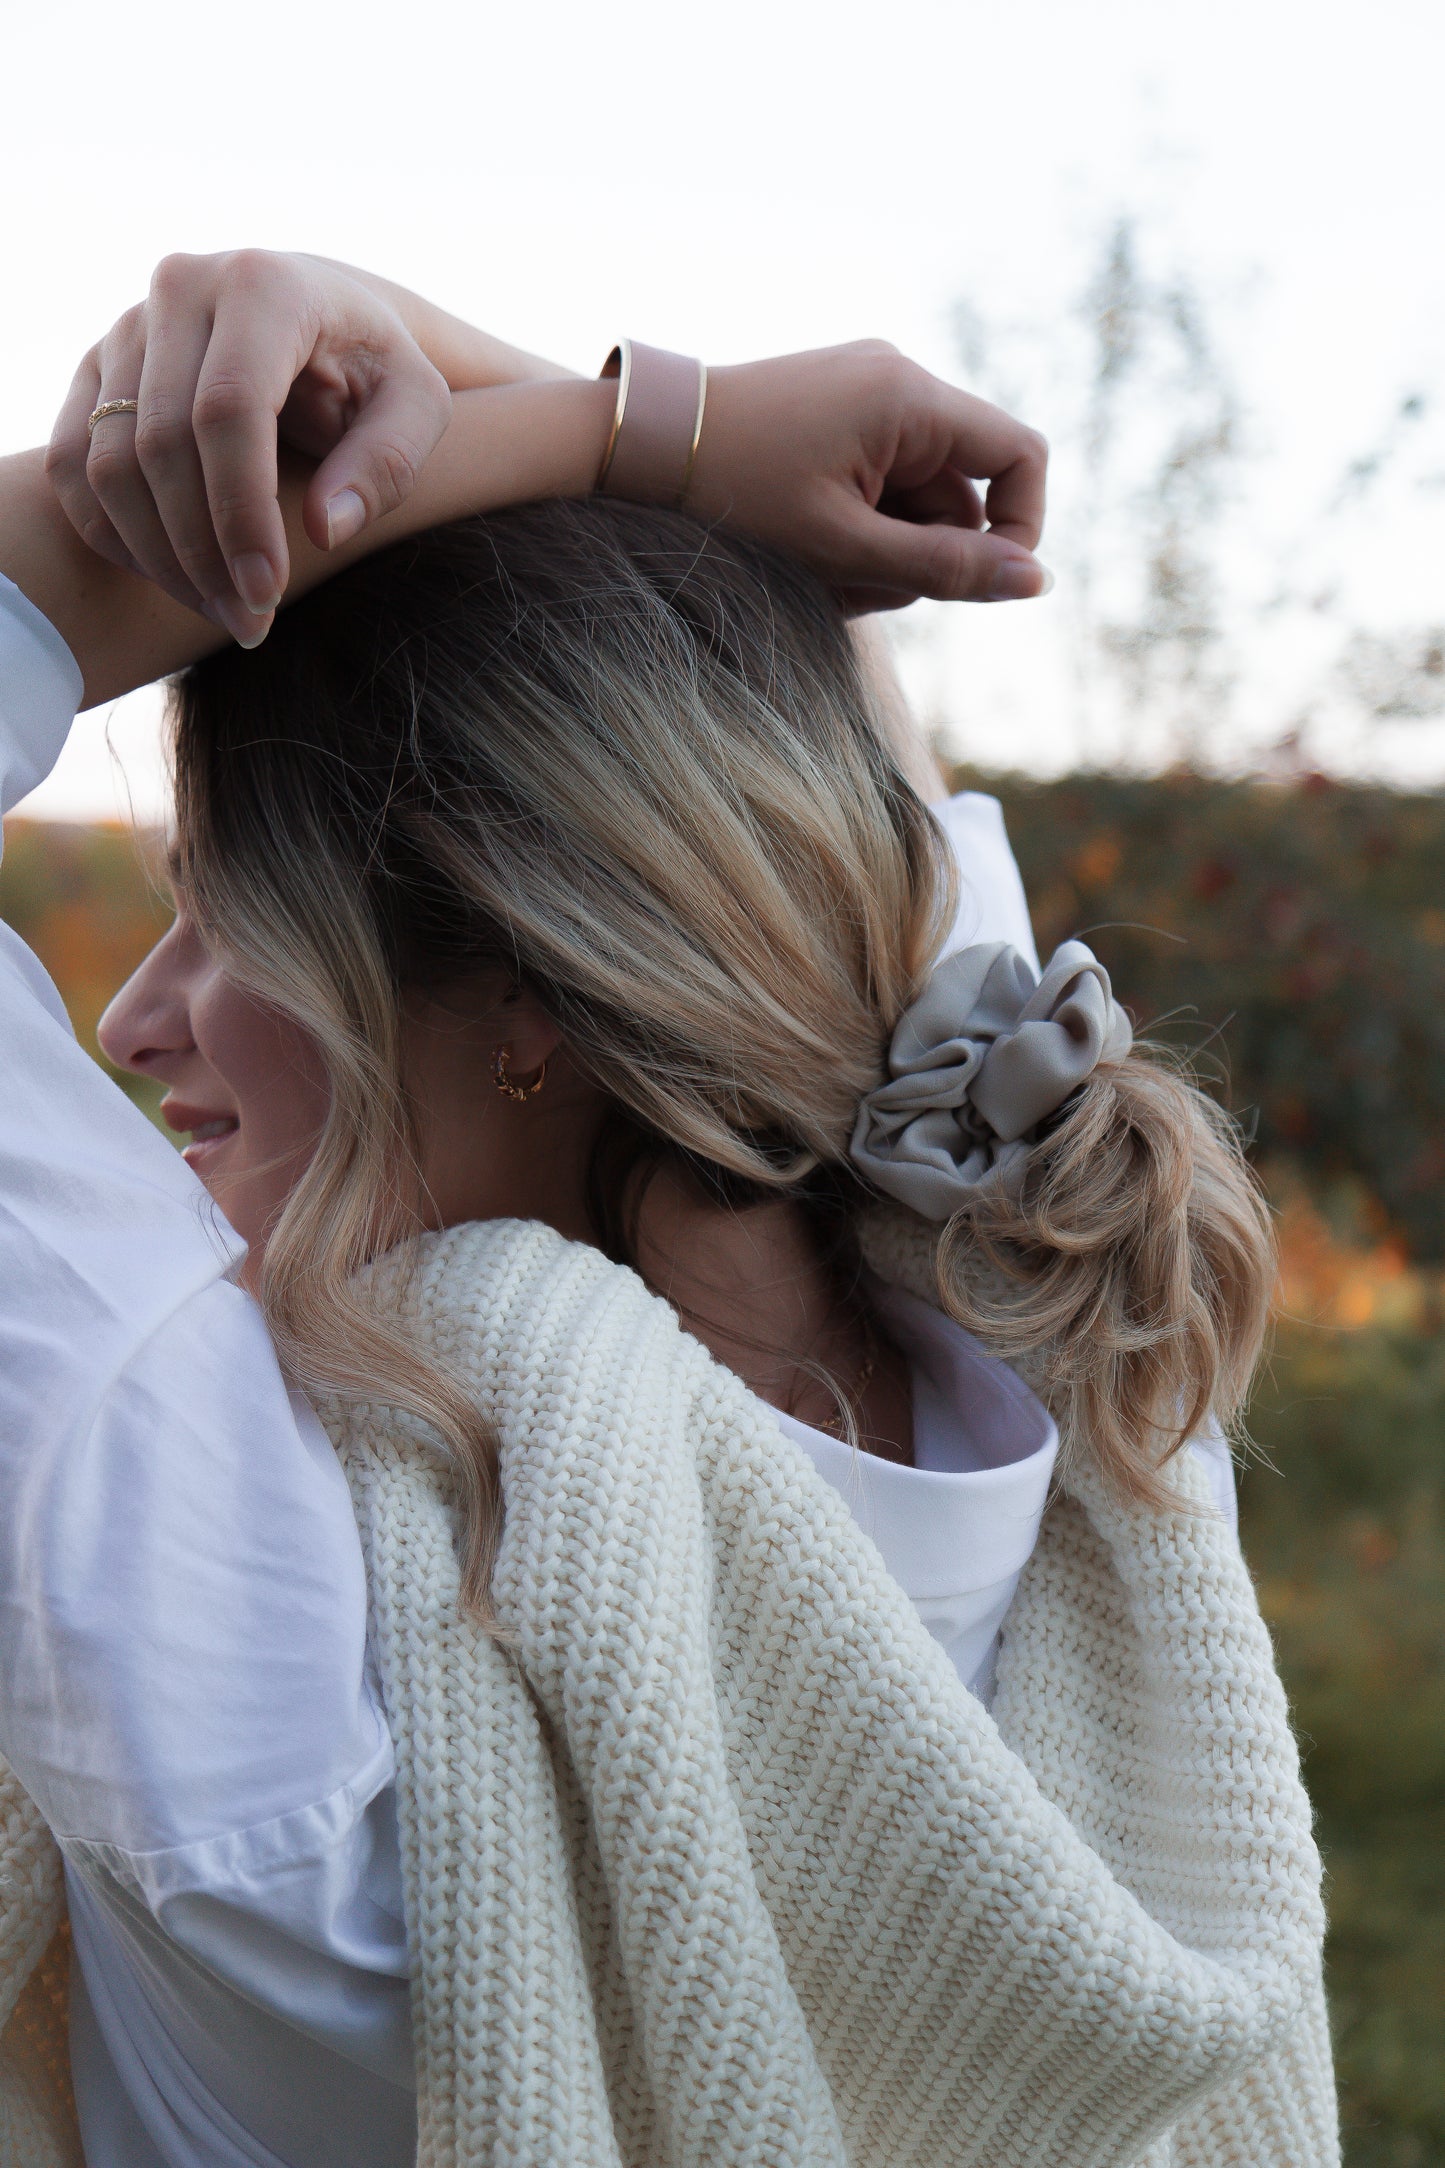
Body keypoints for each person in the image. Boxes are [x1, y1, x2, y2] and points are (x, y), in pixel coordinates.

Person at [0, 253, 1335, 2168]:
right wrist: (599, 412)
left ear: (531, 1000)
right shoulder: (1077, 1355)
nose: (136, 1017)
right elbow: (781, 774)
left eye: (227, 914)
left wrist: (631, 434)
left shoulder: (248, 1608)